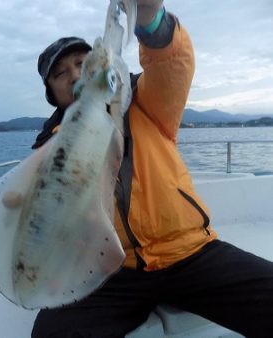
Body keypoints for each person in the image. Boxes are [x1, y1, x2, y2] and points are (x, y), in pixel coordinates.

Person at [31, 1, 273, 337]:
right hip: (110, 272)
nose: (74, 74)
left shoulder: (146, 100)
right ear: (52, 94)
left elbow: (170, 62)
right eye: (60, 73)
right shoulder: (49, 150)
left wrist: (149, 17)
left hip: (189, 252)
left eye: (82, 63)